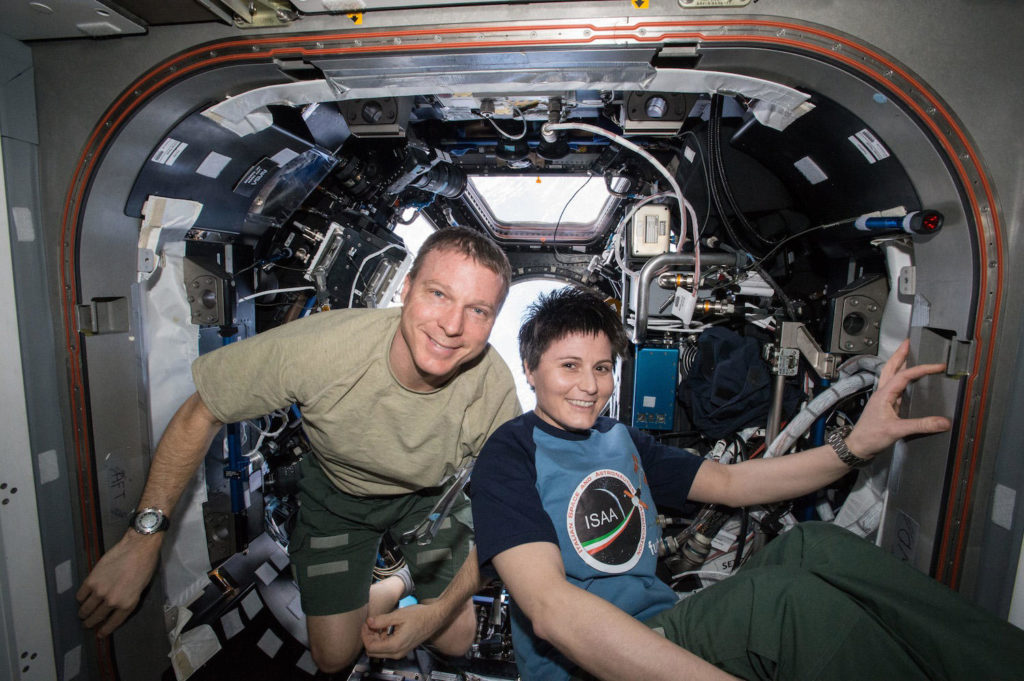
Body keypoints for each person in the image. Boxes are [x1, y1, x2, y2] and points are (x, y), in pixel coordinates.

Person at [469, 287, 1024, 681]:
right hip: (592, 660)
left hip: (664, 618)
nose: (590, 386)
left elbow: (732, 482)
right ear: (530, 368)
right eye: (570, 366)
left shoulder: (620, 440)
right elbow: (550, 609)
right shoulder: (511, 454)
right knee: (782, 606)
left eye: (602, 367)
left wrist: (856, 445)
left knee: (816, 545)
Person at [77, 226, 522, 673]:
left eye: (478, 310)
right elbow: (202, 411)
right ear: (405, 288)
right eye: (439, 293)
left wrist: (434, 611)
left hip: (428, 503)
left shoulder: (493, 390)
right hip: (338, 497)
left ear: (492, 321)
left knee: (456, 637)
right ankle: (392, 581)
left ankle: (397, 580)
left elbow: (507, 517)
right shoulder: (326, 347)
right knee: (333, 658)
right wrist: (142, 540)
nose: (452, 325)